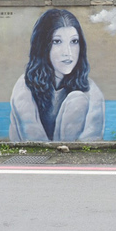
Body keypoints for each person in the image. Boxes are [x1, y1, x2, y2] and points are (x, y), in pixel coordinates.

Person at [9, 9, 105, 142]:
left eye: (74, 42)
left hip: (72, 156)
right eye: (57, 41)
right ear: (43, 46)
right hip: (33, 154)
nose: (68, 52)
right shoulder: (25, 85)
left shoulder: (91, 90)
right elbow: (31, 136)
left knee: (77, 99)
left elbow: (92, 137)